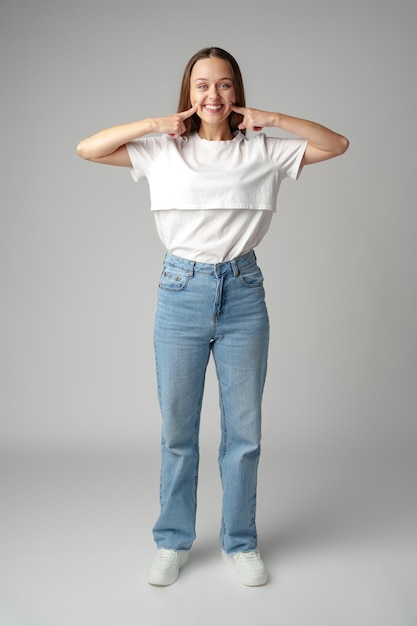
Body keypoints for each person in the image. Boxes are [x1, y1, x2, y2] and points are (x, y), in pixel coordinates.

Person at [77, 46, 349, 587]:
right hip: (181, 291)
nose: (213, 95)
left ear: (237, 92)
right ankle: (173, 541)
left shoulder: (264, 152)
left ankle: (240, 543)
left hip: (243, 291)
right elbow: (87, 148)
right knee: (178, 431)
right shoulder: (161, 151)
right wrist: (156, 123)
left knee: (243, 432)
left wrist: (270, 119)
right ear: (188, 93)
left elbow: (335, 144)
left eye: (224, 85)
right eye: (202, 85)